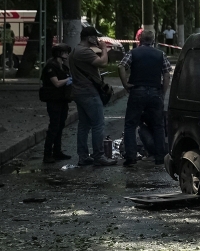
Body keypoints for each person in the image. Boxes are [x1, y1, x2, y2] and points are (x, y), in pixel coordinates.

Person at [117, 29, 171, 167]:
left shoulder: (133, 53)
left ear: (139, 40)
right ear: (153, 40)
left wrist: (125, 84)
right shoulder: (160, 54)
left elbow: (122, 66)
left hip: (137, 91)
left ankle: (131, 157)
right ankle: (160, 157)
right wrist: (163, 92)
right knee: (158, 125)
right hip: (154, 92)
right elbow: (166, 75)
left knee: (130, 125)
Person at [69, 26, 117, 167]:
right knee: (98, 124)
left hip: (79, 91)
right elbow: (103, 63)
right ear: (89, 38)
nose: (97, 39)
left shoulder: (75, 51)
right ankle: (99, 156)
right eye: (95, 37)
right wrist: (103, 49)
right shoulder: (84, 51)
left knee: (84, 125)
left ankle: (83, 156)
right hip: (88, 92)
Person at [40, 44, 74, 163]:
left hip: (62, 99)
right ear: (58, 53)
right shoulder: (51, 66)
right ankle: (47, 154)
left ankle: (57, 152)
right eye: (64, 52)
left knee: (60, 126)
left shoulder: (63, 67)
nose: (66, 54)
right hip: (53, 100)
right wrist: (68, 80)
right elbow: (56, 83)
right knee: (54, 127)